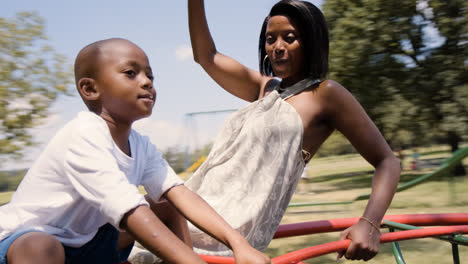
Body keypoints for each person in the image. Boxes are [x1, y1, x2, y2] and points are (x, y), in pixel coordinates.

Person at [0, 38, 270, 264]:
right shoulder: (82, 134)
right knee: (41, 246)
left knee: (166, 204)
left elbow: (180, 194)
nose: (147, 82)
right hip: (24, 243)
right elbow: (130, 212)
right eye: (131, 73)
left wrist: (239, 244)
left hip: (86, 244)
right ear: (90, 88)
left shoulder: (140, 144)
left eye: (150, 75)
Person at [184, 0, 401, 262]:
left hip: (230, 237)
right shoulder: (264, 89)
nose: (277, 47)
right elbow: (205, 56)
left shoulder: (325, 95)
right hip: (193, 212)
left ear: (310, 42)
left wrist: (370, 223)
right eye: (270, 39)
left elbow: (387, 161)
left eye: (289, 38)